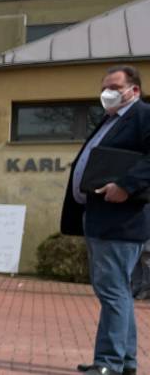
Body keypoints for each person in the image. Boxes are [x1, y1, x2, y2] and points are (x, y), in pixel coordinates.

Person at [60, 65, 150, 375]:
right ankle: (124, 362)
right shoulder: (110, 120)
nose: (106, 93)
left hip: (120, 221)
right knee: (118, 292)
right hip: (99, 217)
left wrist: (127, 185)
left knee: (113, 292)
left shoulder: (142, 116)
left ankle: (108, 363)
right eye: (104, 87)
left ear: (133, 90)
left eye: (114, 86)